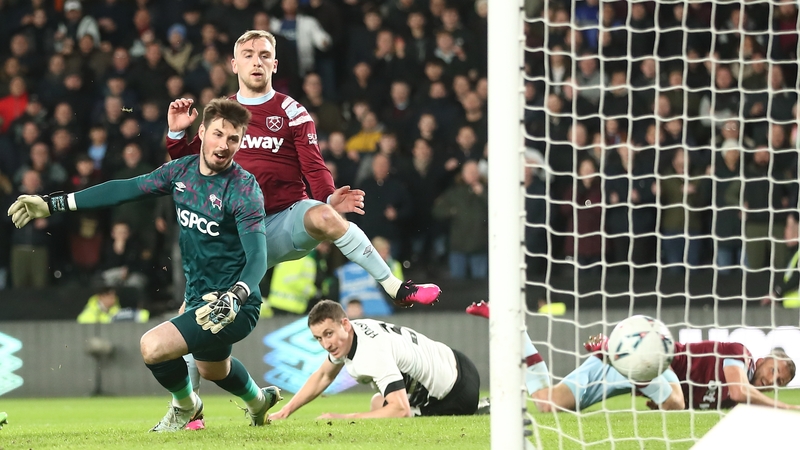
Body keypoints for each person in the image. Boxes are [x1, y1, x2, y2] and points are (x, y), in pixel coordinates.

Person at [8, 98, 282, 431]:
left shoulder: (243, 188)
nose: (224, 145)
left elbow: (258, 256)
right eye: (218, 134)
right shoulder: (181, 171)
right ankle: (259, 402)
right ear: (203, 132)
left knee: (153, 347)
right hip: (198, 297)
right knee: (213, 369)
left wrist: (236, 295)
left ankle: (186, 407)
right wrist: (53, 204)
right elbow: (124, 189)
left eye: (233, 139)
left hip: (236, 302)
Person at [164, 30, 440, 309]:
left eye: (264, 56)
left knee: (324, 215)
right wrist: (176, 135)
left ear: (275, 65)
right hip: (234, 236)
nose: (256, 62)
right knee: (187, 328)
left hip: (283, 222)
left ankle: (395, 286)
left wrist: (330, 197)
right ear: (234, 65)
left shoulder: (292, 112)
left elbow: (314, 165)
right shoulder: (221, 113)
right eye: (248, 56)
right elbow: (189, 167)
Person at [468, 301, 799, 411]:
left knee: (545, 402)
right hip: (655, 358)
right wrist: (786, 409)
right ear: (767, 357)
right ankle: (624, 357)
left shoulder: (740, 401)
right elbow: (740, 390)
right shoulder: (739, 354)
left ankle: (514, 327)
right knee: (676, 402)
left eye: (780, 381)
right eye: (776, 370)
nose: (773, 380)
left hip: (631, 376)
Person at [268, 300, 481, 419]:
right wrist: (285, 411)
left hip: (457, 395)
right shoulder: (355, 331)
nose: (325, 344)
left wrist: (342, 418)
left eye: (328, 334)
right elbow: (323, 375)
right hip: (455, 361)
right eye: (319, 338)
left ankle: (481, 407)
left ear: (345, 324)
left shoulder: (371, 353)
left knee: (387, 411)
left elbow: (401, 409)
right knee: (377, 403)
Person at [466, 301, 683, 412]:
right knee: (547, 403)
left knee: (546, 402)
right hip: (611, 362)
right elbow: (676, 403)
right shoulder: (661, 356)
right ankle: (510, 324)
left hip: (624, 360)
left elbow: (675, 404)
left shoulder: (662, 359)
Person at [76, 285, 149, 324]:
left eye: (114, 296)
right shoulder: (88, 314)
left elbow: (142, 315)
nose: (114, 299)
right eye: (110, 296)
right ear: (101, 297)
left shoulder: (117, 311)